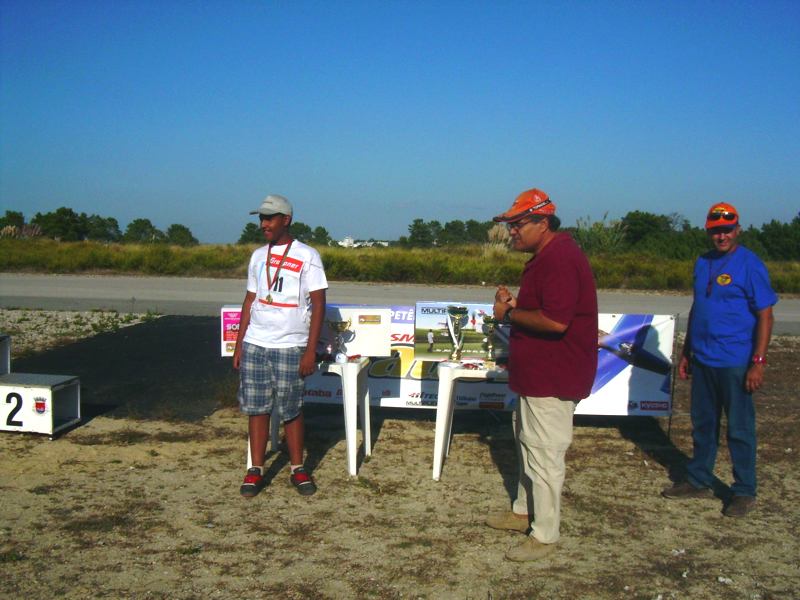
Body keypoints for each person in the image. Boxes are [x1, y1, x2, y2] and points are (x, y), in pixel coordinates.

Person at [486, 188, 598, 562]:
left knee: (545, 454)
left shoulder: (560, 258)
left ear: (543, 222)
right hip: (537, 376)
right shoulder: (545, 256)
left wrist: (507, 315)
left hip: (553, 377)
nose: (512, 232)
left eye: (518, 225)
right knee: (527, 444)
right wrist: (518, 306)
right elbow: (548, 310)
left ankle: (545, 535)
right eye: (511, 225)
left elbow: (555, 321)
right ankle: (523, 512)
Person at [662, 202, 777, 517]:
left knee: (740, 429)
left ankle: (743, 491)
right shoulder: (703, 262)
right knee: (703, 424)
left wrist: (759, 361)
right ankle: (698, 479)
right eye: (715, 231)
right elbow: (699, 307)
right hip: (704, 359)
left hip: (736, 361)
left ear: (737, 230)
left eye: (727, 230)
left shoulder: (750, 264)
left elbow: (766, 315)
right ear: (708, 232)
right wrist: (687, 351)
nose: (721, 236)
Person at [232, 194, 328, 498]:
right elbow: (250, 299)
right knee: (256, 408)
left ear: (286, 220)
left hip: (290, 345)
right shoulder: (258, 256)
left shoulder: (307, 255)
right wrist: (239, 343)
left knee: (291, 409)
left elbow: (318, 302)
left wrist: (310, 350)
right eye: (261, 218)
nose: (264, 224)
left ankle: (298, 467)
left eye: (269, 218)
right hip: (256, 343)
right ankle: (255, 469)